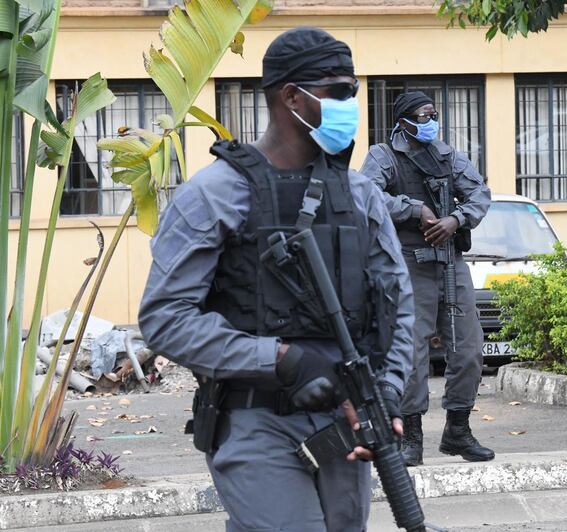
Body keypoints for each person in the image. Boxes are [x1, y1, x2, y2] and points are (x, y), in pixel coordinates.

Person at [138, 27, 414, 532]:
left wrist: (387, 392)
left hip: (346, 419)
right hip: (255, 417)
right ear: (292, 96)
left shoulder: (361, 195)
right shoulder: (215, 195)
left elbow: (399, 305)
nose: (352, 103)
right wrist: (281, 360)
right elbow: (165, 319)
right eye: (339, 92)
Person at [359, 91, 494, 466]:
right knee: (412, 353)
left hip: (450, 260)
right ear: (403, 120)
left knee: (468, 349)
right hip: (407, 262)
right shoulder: (383, 157)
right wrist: (413, 209)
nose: (431, 121)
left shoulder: (448, 155)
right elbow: (364, 195)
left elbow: (480, 194)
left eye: (434, 114)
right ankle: (411, 437)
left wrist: (457, 219)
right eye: (424, 115)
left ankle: (457, 431)